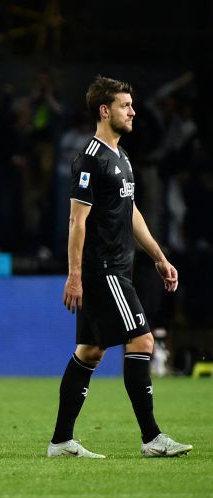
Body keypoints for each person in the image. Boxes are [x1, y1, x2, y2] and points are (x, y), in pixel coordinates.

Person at [48, 76, 193, 459]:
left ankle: (61, 441)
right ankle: (152, 438)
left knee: (89, 352)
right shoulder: (91, 159)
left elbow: (130, 212)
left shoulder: (121, 157)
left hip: (117, 267)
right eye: (125, 106)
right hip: (104, 269)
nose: (133, 112)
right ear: (104, 110)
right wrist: (74, 275)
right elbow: (76, 221)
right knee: (143, 341)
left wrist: (159, 257)